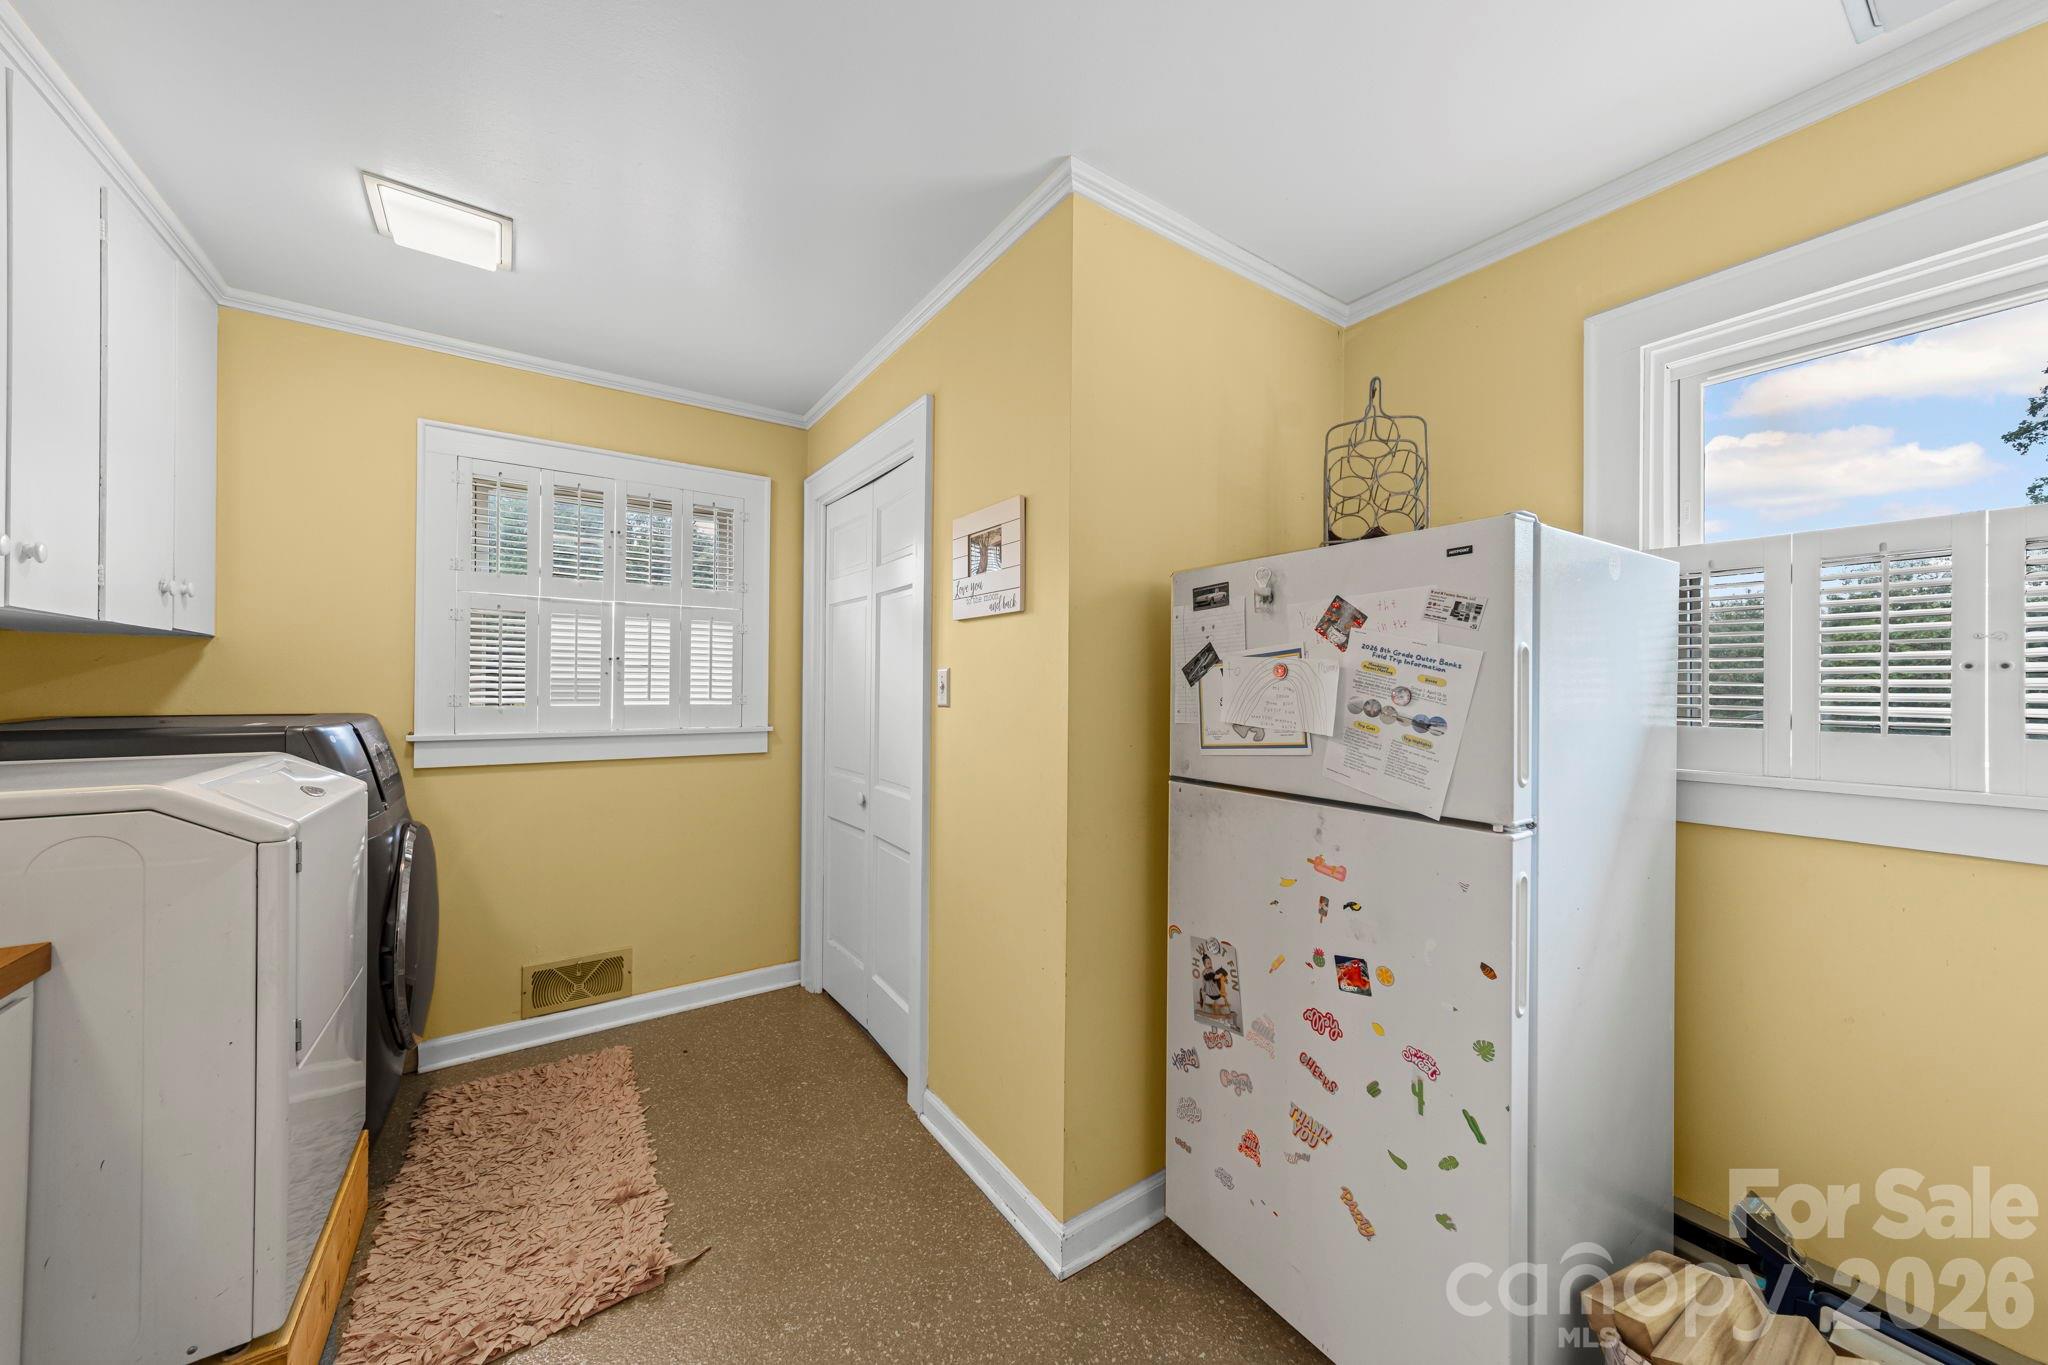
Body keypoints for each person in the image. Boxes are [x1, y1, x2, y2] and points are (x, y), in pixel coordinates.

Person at [1198, 951, 1232, 1020]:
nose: (1210, 964)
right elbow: (1214, 977)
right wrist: (1220, 974)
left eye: (1210, 962)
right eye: (1208, 963)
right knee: (1207, 1008)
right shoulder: (1205, 972)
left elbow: (1216, 979)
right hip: (1209, 994)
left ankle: (1225, 1015)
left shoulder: (1212, 970)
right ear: (1204, 965)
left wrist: (1222, 977)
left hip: (1216, 994)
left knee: (1222, 1004)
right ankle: (1206, 1015)